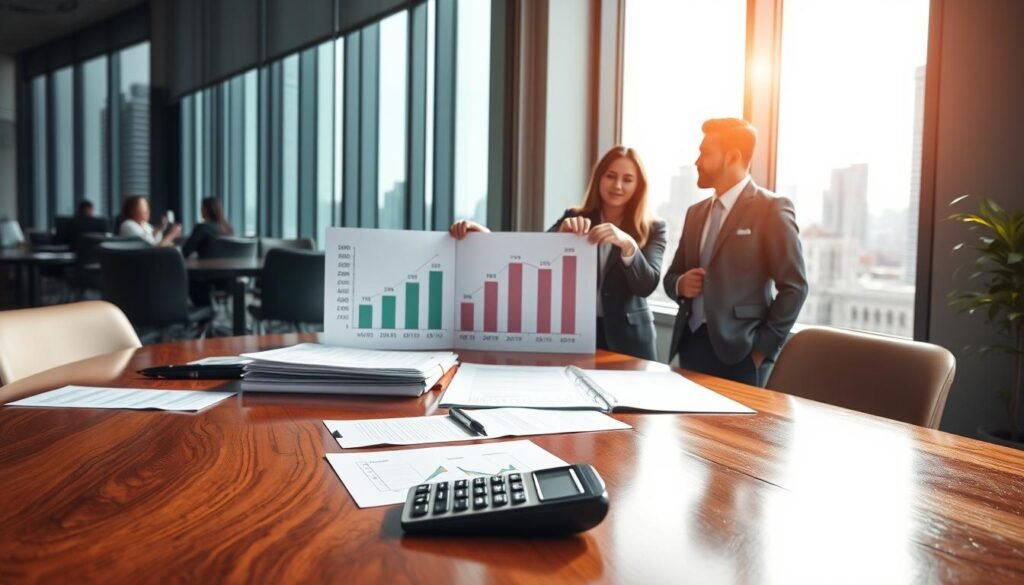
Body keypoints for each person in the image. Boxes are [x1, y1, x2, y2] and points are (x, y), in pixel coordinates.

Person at [450, 146, 667, 360]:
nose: (618, 185)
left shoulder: (653, 227)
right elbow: (531, 256)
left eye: (628, 179)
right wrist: (484, 238)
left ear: (639, 186)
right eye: (610, 176)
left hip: (629, 342)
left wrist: (628, 245)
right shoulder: (574, 216)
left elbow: (646, 285)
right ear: (599, 179)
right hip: (577, 334)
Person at [663, 118, 808, 386]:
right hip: (690, 348)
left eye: (705, 153)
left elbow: (795, 286)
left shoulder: (771, 209)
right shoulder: (695, 214)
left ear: (732, 157)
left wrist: (761, 351)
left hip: (741, 354)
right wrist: (681, 284)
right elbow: (672, 276)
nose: (697, 161)